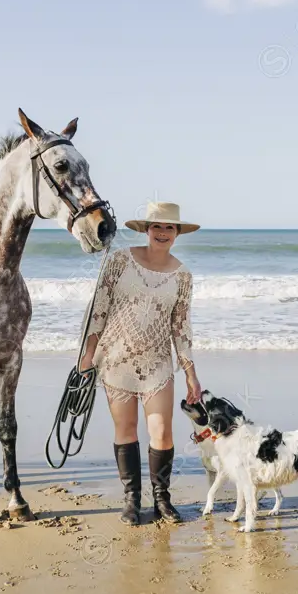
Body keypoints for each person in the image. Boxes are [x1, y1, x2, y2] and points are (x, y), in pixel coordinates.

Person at [78, 201, 203, 525]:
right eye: (157, 226)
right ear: (146, 230)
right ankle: (132, 500)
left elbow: (181, 327)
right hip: (116, 358)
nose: (162, 233)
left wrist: (191, 375)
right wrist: (87, 355)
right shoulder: (120, 260)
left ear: (176, 233)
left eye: (169, 228)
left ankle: (162, 499)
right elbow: (99, 308)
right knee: (126, 428)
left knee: (162, 433)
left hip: (158, 363)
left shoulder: (183, 275)